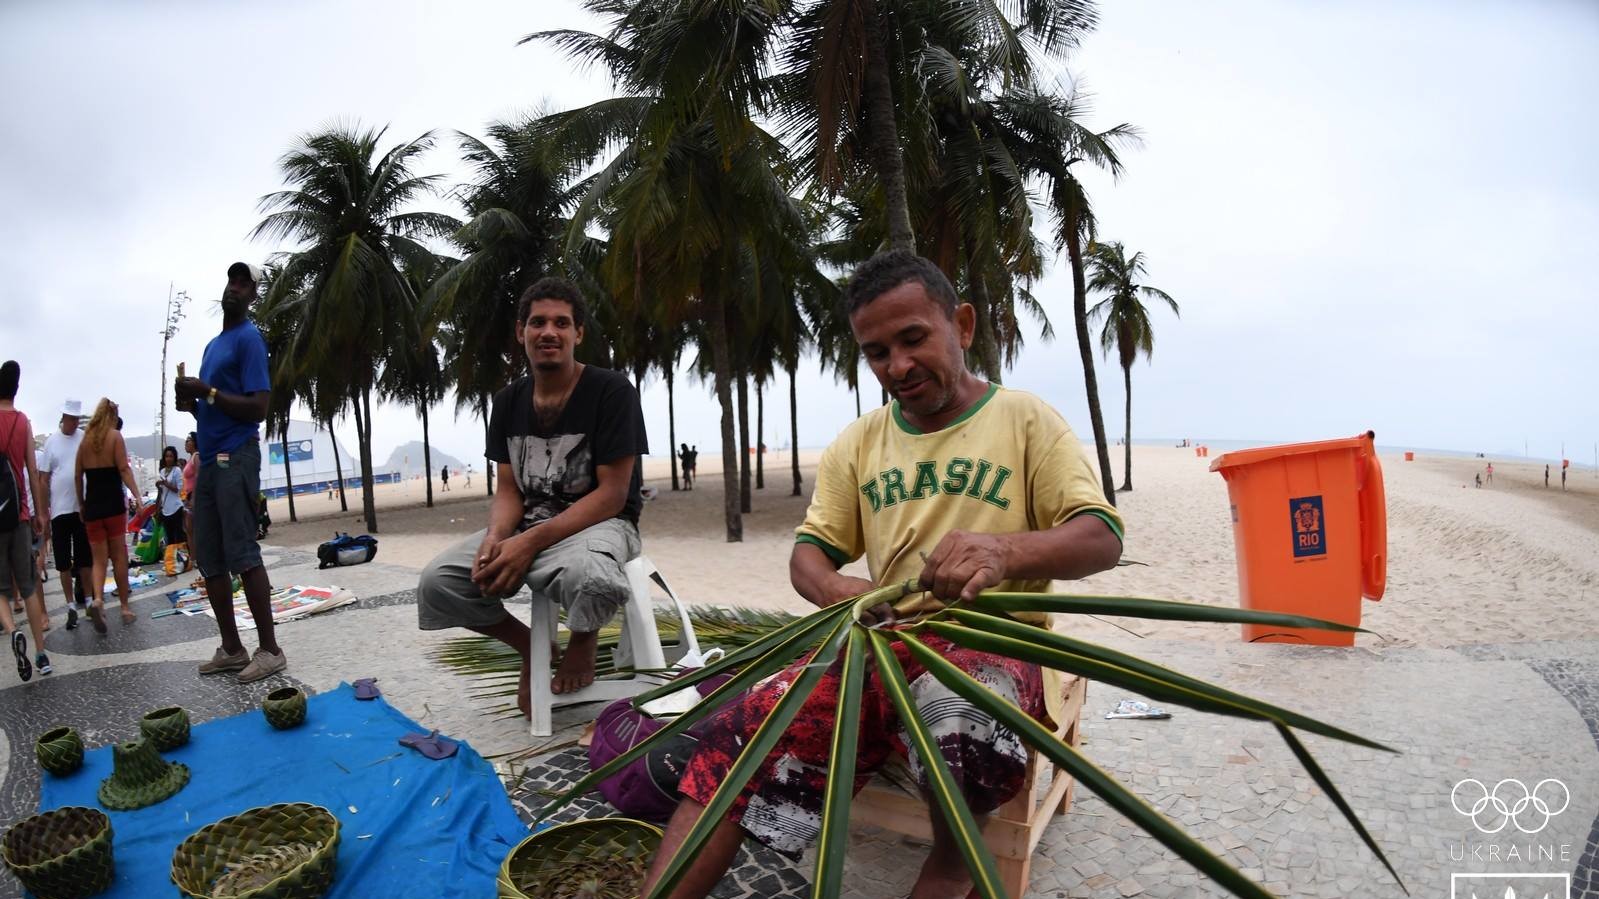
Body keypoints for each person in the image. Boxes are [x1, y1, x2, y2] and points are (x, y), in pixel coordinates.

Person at [642, 251, 1124, 899]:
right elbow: (808, 555)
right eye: (876, 352)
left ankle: (953, 861)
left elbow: (1100, 536)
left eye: (913, 339)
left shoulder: (1025, 420)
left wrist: (1003, 553)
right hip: (881, 642)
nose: (897, 366)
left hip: (993, 645)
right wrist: (838, 589)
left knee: (958, 714)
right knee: (747, 727)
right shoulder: (860, 442)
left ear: (962, 324)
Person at [415, 276, 648, 713]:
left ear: (578, 333)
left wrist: (529, 543)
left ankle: (583, 640)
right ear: (521, 332)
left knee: (593, 577)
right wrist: (497, 537)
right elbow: (508, 488)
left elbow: (613, 496)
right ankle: (530, 646)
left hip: (600, 524)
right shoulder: (507, 402)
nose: (549, 332)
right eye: (538, 322)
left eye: (562, 323)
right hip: (528, 522)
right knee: (438, 582)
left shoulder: (612, 391)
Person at [174, 261, 283, 683]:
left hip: (236, 455)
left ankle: (270, 650)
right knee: (210, 557)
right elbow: (212, 405)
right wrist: (193, 403)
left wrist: (209, 392)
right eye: (231, 281)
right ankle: (232, 649)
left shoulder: (250, 339)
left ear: (253, 294)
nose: (234, 288)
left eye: (243, 283)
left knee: (242, 552)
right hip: (210, 460)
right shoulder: (212, 345)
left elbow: (258, 407)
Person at [0, 361, 53, 679]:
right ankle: (41, 654)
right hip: (19, 515)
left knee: (0, 590)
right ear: (16, 389)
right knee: (29, 586)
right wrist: (39, 514)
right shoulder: (22, 422)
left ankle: (12, 630)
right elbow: (33, 471)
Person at [74, 398, 141, 630]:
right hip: (113, 505)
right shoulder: (115, 437)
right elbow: (123, 469)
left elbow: (77, 476)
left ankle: (98, 600)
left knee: (98, 560)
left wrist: (82, 504)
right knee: (119, 557)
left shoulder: (85, 441)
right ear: (112, 416)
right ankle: (124, 607)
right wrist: (137, 495)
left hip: (93, 506)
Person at [40, 398, 93, 629]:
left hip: (80, 508)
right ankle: (71, 606)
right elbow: (43, 478)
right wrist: (44, 511)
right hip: (59, 510)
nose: (73, 423)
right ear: (63, 418)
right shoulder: (51, 442)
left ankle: (89, 600)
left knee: (85, 559)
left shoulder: (83, 437)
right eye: (70, 419)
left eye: (76, 419)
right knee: (63, 562)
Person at [157, 446, 186, 547]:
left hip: (176, 507)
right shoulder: (162, 471)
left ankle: (181, 555)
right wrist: (159, 485)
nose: (168, 458)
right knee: (169, 538)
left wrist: (166, 483)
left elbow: (179, 489)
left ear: (174, 458)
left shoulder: (177, 470)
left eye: (171, 456)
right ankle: (171, 557)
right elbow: (162, 491)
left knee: (179, 537)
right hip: (165, 508)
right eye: (166, 456)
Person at [182, 432, 198, 551]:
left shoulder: (196, 456)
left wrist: (193, 498)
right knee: (189, 530)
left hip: (194, 496)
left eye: (189, 440)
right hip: (188, 497)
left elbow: (198, 476)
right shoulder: (190, 458)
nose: (186, 443)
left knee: (193, 530)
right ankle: (193, 557)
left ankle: (197, 557)